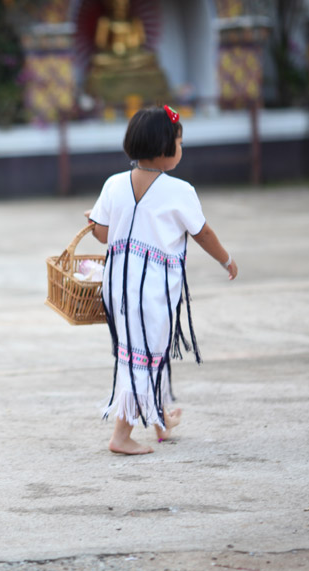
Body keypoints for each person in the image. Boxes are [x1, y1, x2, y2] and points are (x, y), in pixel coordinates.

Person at [84, 105, 238, 455]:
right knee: (143, 354)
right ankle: (121, 436)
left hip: (119, 286)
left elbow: (103, 234)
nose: (181, 149)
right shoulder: (180, 191)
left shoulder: (113, 184)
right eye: (179, 143)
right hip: (152, 289)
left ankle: (160, 421)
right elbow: (203, 234)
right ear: (164, 147)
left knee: (140, 350)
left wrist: (94, 222)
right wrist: (226, 259)